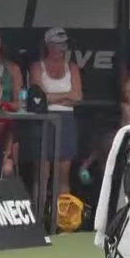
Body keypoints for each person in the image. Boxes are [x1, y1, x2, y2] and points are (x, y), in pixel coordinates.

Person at [31, 27, 85, 200]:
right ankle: (38, 219)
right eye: (57, 44)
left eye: (64, 45)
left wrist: (50, 98)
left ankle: (63, 221)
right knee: (42, 174)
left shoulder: (72, 67)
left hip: (66, 120)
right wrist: (65, 96)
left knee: (63, 175)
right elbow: (37, 98)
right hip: (43, 120)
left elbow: (77, 96)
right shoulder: (37, 67)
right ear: (47, 45)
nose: (61, 49)